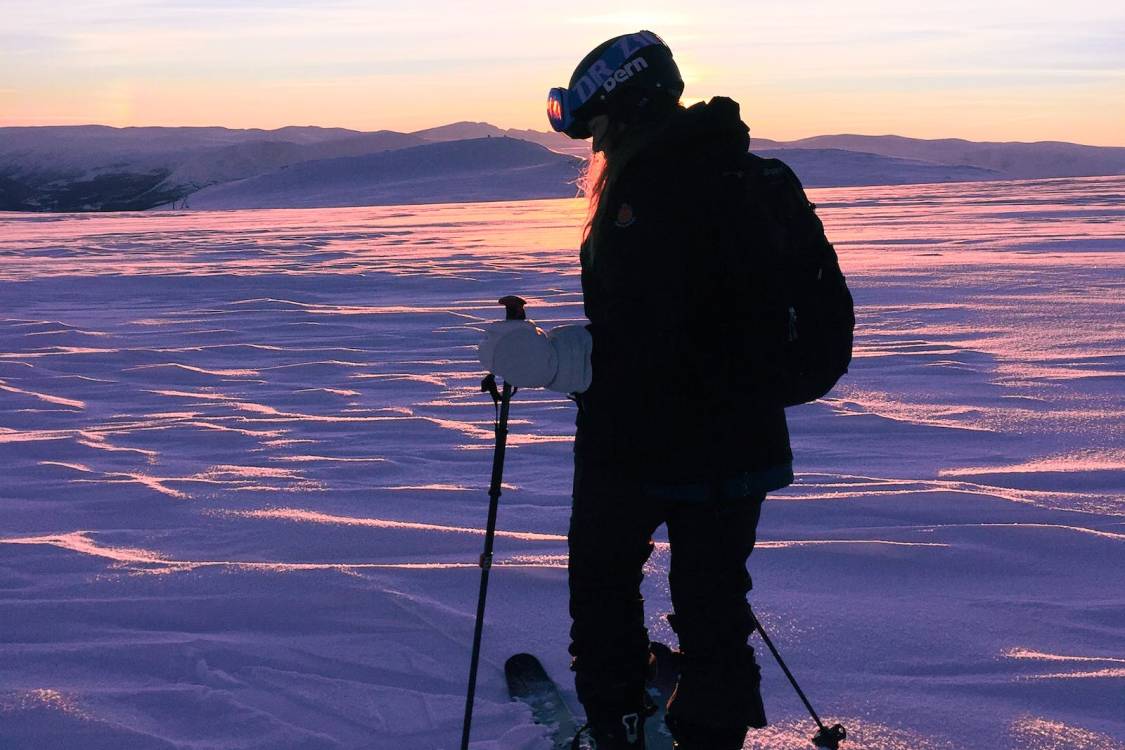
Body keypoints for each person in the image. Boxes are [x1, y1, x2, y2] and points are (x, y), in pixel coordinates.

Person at [480, 30, 832, 750]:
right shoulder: (747, 175)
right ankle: (711, 730)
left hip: (639, 444)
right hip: (742, 442)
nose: (594, 147)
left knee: (604, 591)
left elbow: (656, 337)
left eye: (598, 127)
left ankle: (619, 726)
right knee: (714, 606)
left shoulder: (651, 192)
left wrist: (557, 362)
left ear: (628, 108)